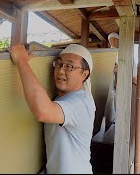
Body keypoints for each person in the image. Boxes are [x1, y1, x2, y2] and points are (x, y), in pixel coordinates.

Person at [9, 43, 96, 174]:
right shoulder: (63, 98)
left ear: (84, 74)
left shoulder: (80, 103)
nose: (61, 70)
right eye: (59, 64)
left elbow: (42, 111)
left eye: (69, 66)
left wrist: (21, 61)